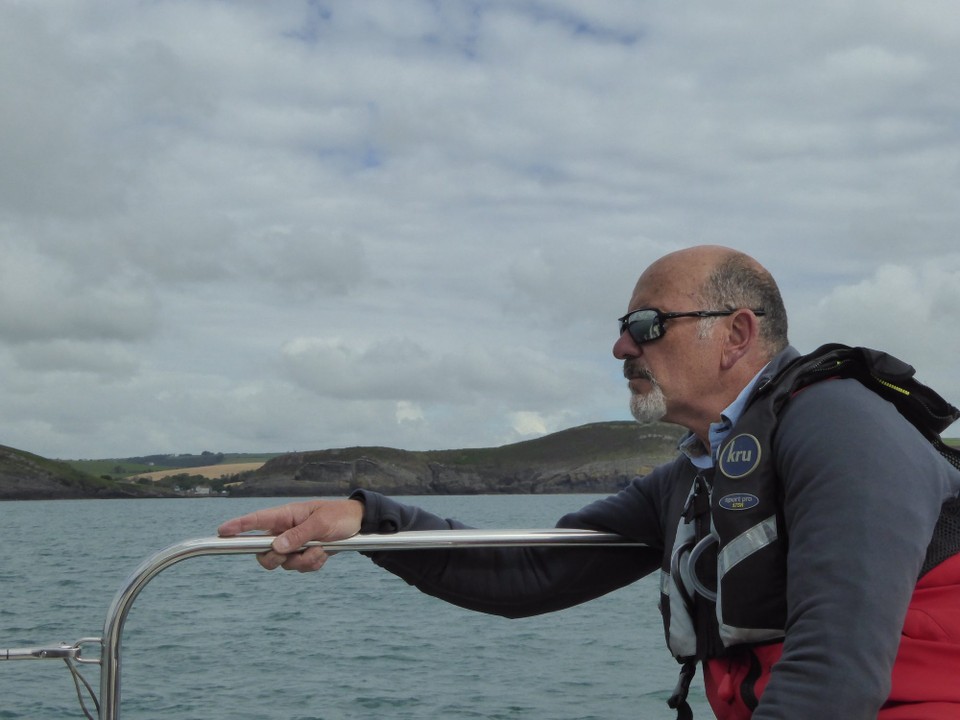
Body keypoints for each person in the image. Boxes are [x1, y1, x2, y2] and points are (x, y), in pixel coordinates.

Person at [218, 245, 960, 719]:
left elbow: (837, 676)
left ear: (736, 334)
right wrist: (368, 522)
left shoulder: (841, 425)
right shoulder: (693, 479)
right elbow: (532, 570)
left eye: (646, 324)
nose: (619, 347)